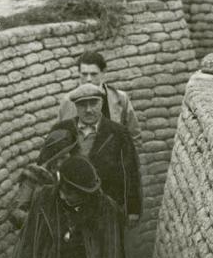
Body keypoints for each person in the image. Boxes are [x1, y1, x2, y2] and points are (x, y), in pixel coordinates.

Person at [41, 82, 142, 225]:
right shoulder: (62, 130)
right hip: (68, 209)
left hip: (107, 209)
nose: (88, 110)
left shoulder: (119, 133)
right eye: (82, 105)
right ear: (75, 106)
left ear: (101, 103)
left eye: (93, 103)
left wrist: (133, 209)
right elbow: (44, 164)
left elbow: (130, 171)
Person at [57, 50, 141, 151]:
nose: (88, 79)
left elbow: (134, 137)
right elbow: (59, 139)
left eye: (93, 74)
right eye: (84, 74)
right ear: (78, 73)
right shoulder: (68, 101)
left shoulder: (120, 98)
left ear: (103, 72)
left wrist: (128, 163)